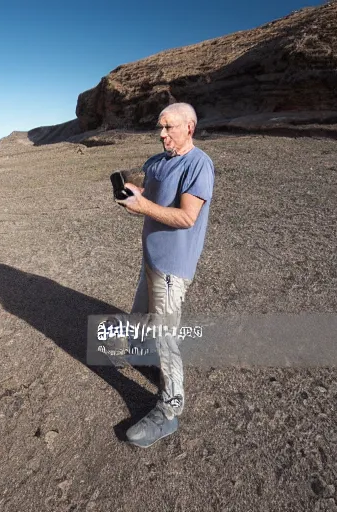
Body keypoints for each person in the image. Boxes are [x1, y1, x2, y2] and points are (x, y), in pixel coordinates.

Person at [115, 102, 215, 448]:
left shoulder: (198, 164)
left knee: (166, 339)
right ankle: (146, 359)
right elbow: (152, 202)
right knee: (140, 321)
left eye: (169, 127)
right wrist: (134, 199)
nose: (162, 134)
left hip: (173, 269)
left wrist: (144, 207)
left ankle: (169, 412)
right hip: (152, 262)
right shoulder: (157, 163)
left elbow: (187, 217)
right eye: (160, 127)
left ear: (189, 127)